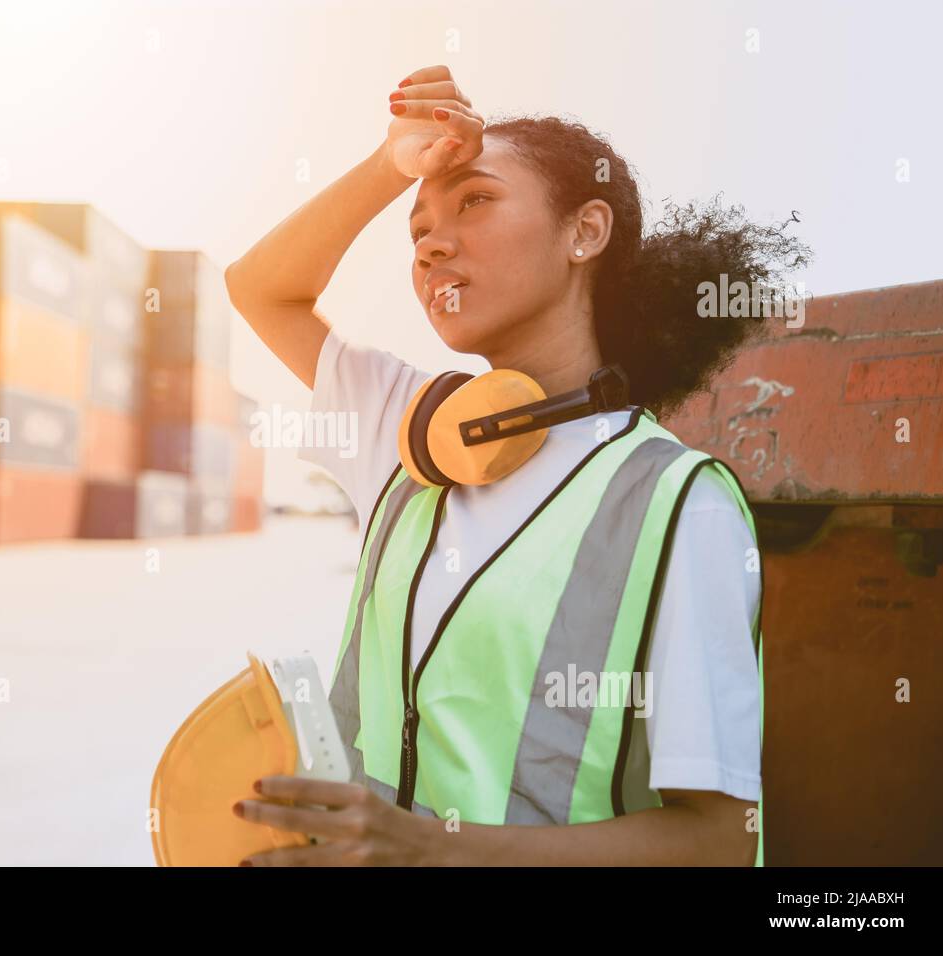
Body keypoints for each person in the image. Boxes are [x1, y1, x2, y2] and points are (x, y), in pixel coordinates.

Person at [224, 65, 808, 866]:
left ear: (585, 232)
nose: (430, 240)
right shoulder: (410, 427)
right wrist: (392, 162)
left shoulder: (676, 500)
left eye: (475, 200)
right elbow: (259, 287)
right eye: (417, 226)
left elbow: (719, 841)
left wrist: (428, 850)